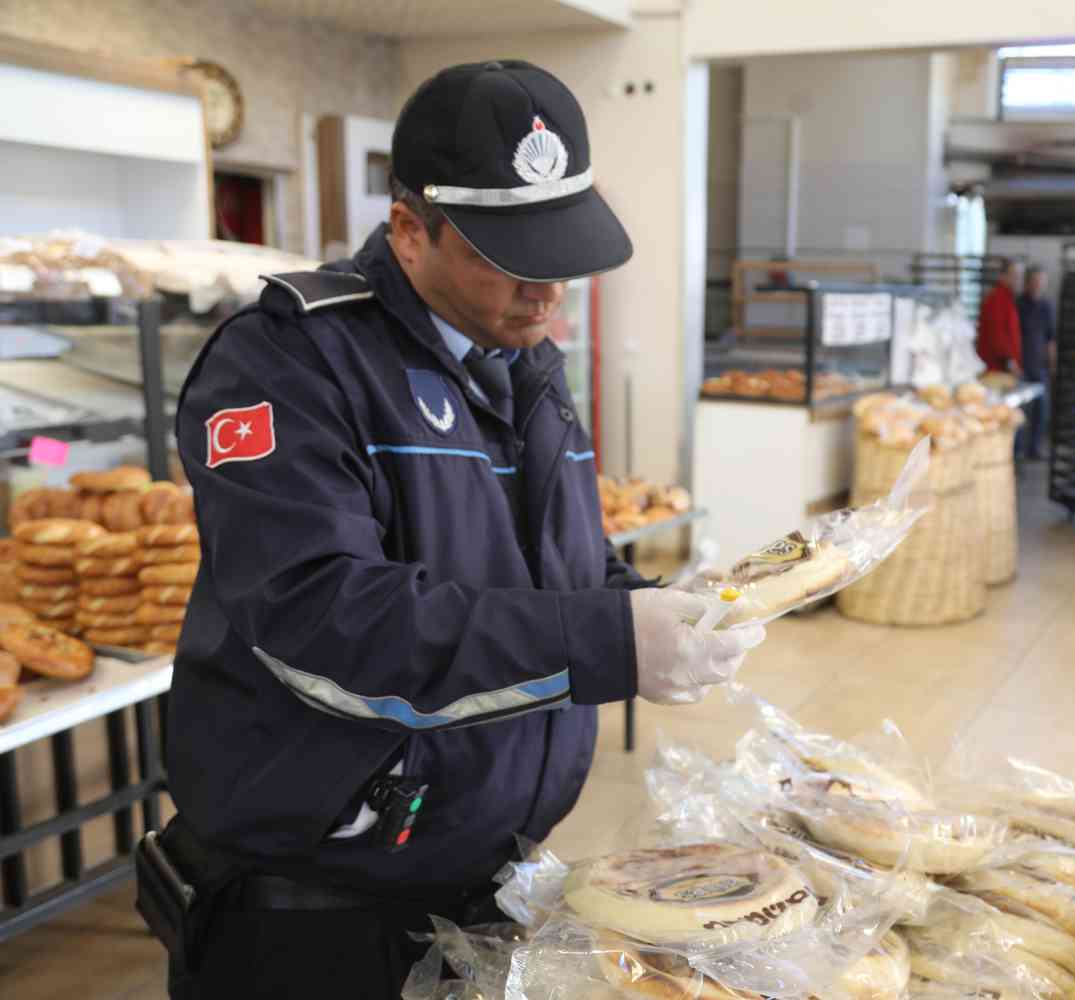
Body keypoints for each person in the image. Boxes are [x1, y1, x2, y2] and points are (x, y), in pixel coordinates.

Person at [148, 61, 765, 1000]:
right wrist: (605, 642)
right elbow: (322, 617)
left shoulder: (524, 359)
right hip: (317, 907)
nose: (545, 294)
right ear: (410, 230)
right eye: (509, 260)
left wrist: (649, 609)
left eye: (559, 258)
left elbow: (557, 563)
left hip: (484, 869)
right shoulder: (290, 362)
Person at [1015, 266, 1055, 460]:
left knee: (1041, 410)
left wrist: (1052, 363)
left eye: (1041, 281)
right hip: (1020, 364)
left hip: (1040, 366)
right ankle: (1017, 450)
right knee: (1019, 410)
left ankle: (1034, 448)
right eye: (1035, 281)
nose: (1038, 285)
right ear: (1028, 282)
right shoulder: (1018, 304)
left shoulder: (1046, 306)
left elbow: (1050, 338)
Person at [976, 259, 1022, 375]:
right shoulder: (997, 299)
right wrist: (1010, 362)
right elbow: (997, 335)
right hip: (996, 368)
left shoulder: (1008, 298)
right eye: (1014, 275)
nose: (1018, 280)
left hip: (1002, 367)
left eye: (1018, 276)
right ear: (1003, 276)